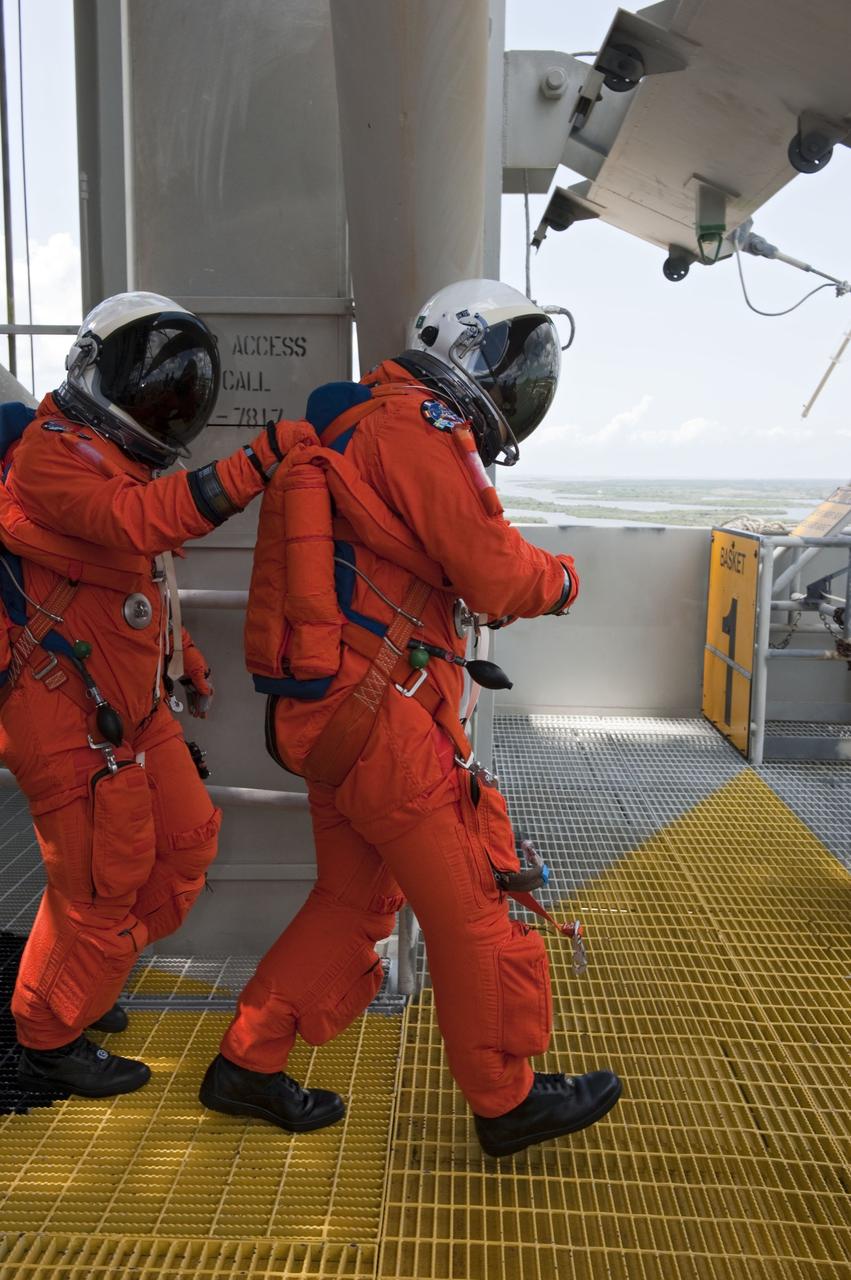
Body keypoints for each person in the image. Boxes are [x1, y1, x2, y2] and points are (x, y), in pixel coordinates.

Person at [199, 279, 622, 1158]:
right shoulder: (417, 427)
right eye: (510, 372)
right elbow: (495, 574)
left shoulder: (361, 423)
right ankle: (506, 1102)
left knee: (352, 901)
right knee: (471, 909)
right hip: (380, 721)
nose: (514, 395)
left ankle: (247, 1061)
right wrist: (564, 580)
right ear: (465, 354)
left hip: (333, 719)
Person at [0, 291, 312, 1099]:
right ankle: (46, 1038)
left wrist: (182, 655)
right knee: (98, 886)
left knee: (185, 846)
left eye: (174, 396)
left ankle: (81, 977)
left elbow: (127, 583)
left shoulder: (115, 461)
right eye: (149, 391)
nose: (161, 409)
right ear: (91, 371)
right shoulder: (47, 458)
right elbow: (137, 525)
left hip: (126, 703)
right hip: (59, 709)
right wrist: (257, 460)